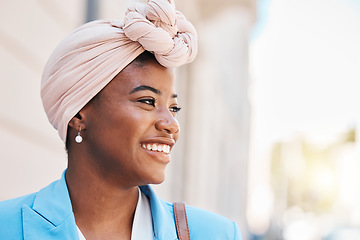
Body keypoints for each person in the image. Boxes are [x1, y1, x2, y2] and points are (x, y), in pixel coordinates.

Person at [0, 0, 241, 239]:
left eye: (174, 107)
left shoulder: (216, 234)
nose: (171, 124)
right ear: (78, 114)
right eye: (147, 101)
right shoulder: (7, 227)